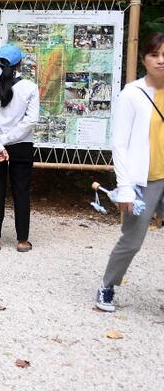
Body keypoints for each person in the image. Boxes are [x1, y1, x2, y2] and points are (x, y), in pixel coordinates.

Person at [95, 32, 164, 312]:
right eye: (154, 55)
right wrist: (124, 186)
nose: (161, 61)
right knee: (133, 240)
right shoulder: (132, 94)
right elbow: (120, 144)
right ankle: (107, 286)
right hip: (143, 179)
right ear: (143, 59)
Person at [0, 44, 40, 252]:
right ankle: (22, 241)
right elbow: (31, 121)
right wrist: (8, 139)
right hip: (22, 145)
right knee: (21, 191)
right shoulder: (30, 88)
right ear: (19, 63)